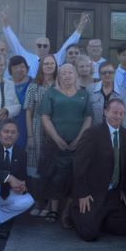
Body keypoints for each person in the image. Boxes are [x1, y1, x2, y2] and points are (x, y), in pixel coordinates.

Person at [39, 63, 92, 226]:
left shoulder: (83, 94)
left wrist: (78, 140)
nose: (67, 75)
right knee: (56, 176)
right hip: (56, 144)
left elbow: (88, 118)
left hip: (78, 144)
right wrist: (57, 139)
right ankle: (54, 208)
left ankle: (68, 210)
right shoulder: (51, 93)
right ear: (58, 76)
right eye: (63, 73)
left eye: (70, 72)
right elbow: (45, 117)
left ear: (75, 75)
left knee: (75, 176)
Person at [71, 99, 126, 242]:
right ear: (105, 113)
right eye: (115, 112)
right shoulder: (93, 133)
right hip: (93, 192)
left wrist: (123, 188)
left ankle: (99, 218)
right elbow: (78, 165)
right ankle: (73, 212)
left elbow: (125, 164)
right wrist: (82, 193)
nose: (118, 116)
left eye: (121, 113)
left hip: (113, 192)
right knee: (89, 234)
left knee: (122, 228)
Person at [0, 11, 89, 78]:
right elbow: (14, 42)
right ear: (35, 46)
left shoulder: (56, 58)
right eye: (39, 45)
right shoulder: (26, 57)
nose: (42, 47)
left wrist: (80, 26)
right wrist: (5, 24)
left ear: (49, 47)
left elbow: (68, 44)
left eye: (45, 45)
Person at [24, 54, 57, 217]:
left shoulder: (59, 85)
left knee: (52, 166)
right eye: (46, 63)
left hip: (55, 128)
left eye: (52, 63)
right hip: (37, 127)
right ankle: (37, 201)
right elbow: (28, 112)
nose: (49, 66)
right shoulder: (34, 86)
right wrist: (30, 136)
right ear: (41, 66)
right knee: (36, 166)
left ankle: (50, 203)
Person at [8, 55, 32, 153]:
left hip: (28, 121)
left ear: (27, 68)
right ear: (10, 70)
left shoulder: (33, 83)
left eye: (22, 66)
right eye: (15, 67)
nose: (19, 70)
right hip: (10, 121)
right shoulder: (6, 84)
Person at [88, 61, 120, 125]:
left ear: (115, 73)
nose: (107, 75)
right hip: (94, 130)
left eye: (110, 72)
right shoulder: (90, 89)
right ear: (99, 74)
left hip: (114, 129)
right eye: (103, 73)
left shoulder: (122, 92)